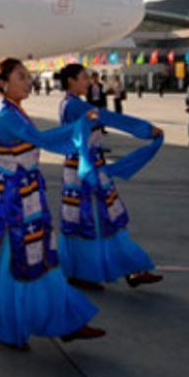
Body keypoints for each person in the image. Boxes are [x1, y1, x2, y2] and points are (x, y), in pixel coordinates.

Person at [0, 57, 105, 351]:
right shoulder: (6, 116)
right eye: (21, 77)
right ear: (3, 84)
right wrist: (81, 125)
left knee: (36, 256)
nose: (28, 82)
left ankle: (61, 320)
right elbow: (41, 140)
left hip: (24, 192)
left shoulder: (14, 110)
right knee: (15, 259)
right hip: (10, 200)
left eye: (28, 76)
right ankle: (13, 326)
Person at [56, 64, 164, 290]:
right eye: (84, 78)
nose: (89, 81)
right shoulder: (75, 106)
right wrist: (145, 129)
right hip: (84, 172)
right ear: (71, 81)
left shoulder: (71, 104)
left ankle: (128, 268)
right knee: (91, 220)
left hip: (89, 168)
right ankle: (89, 272)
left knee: (105, 218)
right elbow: (107, 117)